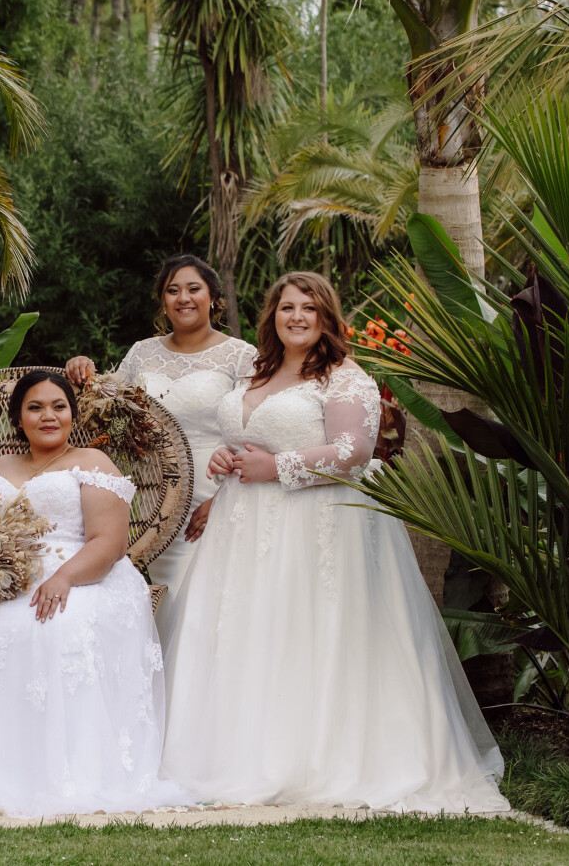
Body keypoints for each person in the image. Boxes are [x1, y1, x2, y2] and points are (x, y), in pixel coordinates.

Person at [161, 272, 509, 813]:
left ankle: (314, 759)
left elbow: (353, 451)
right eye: (286, 308)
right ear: (271, 316)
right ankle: (234, 755)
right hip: (243, 527)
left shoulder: (346, 378)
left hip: (314, 524)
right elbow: (247, 437)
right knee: (247, 634)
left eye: (309, 308)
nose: (296, 317)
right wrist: (228, 456)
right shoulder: (261, 370)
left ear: (327, 317)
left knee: (307, 633)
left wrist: (275, 465)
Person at [0, 370, 189, 817]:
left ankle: (58, 771)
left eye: (59, 406)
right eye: (35, 407)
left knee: (55, 626)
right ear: (18, 417)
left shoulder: (92, 462)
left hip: (84, 570)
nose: (48, 415)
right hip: (0, 572)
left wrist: (65, 578)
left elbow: (108, 542)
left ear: (73, 414)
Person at [65, 256, 254, 623]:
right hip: (152, 493)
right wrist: (83, 374)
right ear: (163, 301)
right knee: (163, 598)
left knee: (208, 603)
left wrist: (224, 499)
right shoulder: (141, 352)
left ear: (214, 297)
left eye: (193, 288)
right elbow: (112, 416)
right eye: (173, 290)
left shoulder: (241, 355)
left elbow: (256, 433)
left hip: (215, 489)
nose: (183, 297)